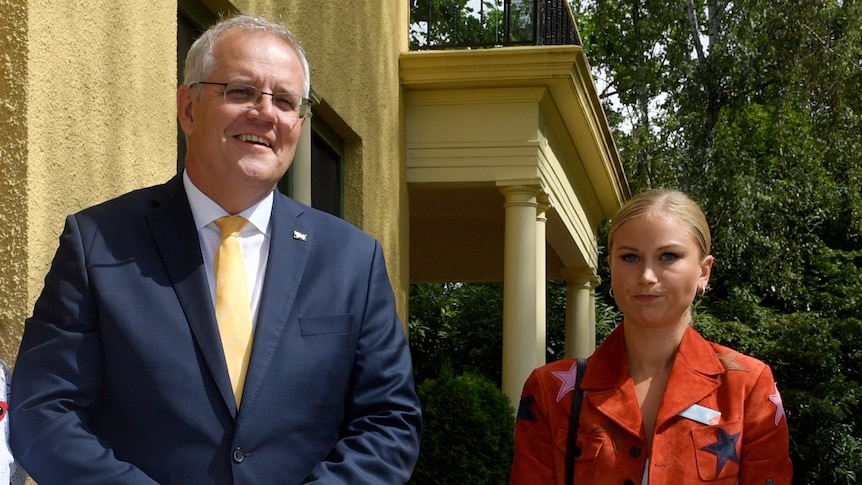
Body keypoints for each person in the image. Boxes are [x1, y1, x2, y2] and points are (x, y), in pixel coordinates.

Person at [10, 14, 421, 484]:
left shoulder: (352, 261)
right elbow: (42, 412)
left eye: (285, 101)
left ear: (299, 125)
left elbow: (389, 423)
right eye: (241, 91)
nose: (265, 113)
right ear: (188, 108)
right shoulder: (98, 242)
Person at [510, 189, 792, 484]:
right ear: (612, 269)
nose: (646, 275)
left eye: (668, 256)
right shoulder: (550, 392)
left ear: (703, 272)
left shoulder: (747, 387)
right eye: (630, 257)